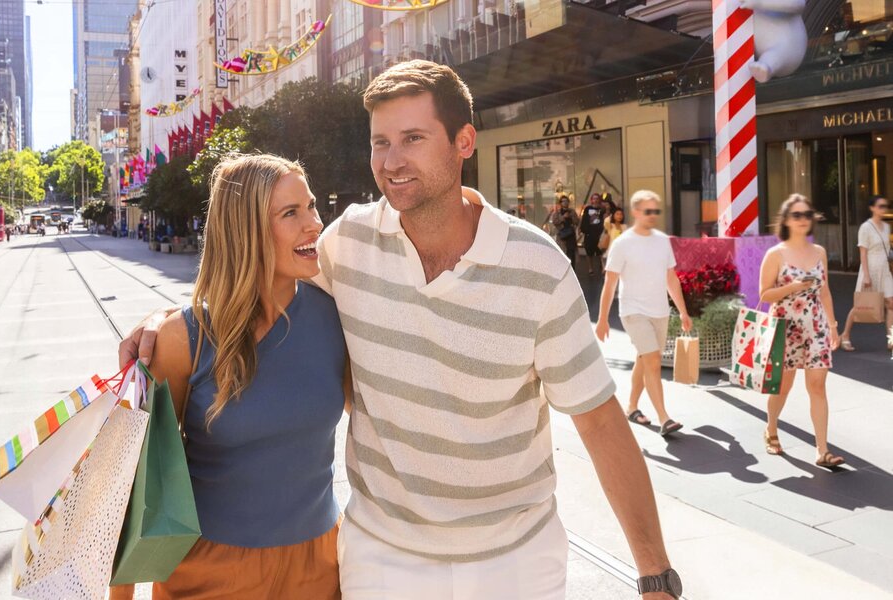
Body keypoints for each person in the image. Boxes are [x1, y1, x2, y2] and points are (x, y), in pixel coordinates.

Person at [120, 61, 681, 600]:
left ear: (464, 142)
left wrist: (655, 573)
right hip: (381, 556)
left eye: (412, 138)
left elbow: (601, 421)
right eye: (379, 142)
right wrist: (165, 324)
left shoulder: (539, 267)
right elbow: (249, 292)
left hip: (514, 557)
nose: (391, 161)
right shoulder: (349, 244)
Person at [109, 154, 344, 600]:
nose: (314, 224)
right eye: (291, 213)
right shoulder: (183, 339)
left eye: (311, 207)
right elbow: (137, 482)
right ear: (245, 230)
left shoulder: (337, 317)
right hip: (208, 573)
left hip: (318, 569)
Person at [759, 194, 844, 469]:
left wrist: (832, 326)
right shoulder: (776, 254)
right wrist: (793, 286)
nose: (803, 219)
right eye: (797, 215)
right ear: (786, 220)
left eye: (807, 214)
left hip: (816, 327)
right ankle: (771, 428)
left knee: (817, 385)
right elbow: (764, 294)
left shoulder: (818, 251)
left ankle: (822, 450)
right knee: (783, 387)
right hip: (786, 327)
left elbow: (826, 291)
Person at [596, 190, 690, 436]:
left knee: (645, 358)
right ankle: (664, 418)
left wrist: (683, 311)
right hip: (633, 311)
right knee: (653, 361)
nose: (652, 216)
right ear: (636, 212)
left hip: (659, 312)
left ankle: (632, 407)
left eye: (655, 211)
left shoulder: (661, 240)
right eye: (648, 211)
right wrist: (603, 319)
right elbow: (610, 283)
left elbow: (671, 278)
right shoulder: (622, 244)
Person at [839, 195, 892, 351]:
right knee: (860, 305)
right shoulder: (865, 227)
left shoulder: (886, 226)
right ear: (872, 208)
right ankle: (845, 335)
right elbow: (863, 252)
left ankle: (891, 339)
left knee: (891, 303)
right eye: (880, 206)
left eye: (886, 206)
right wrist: (867, 276)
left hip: (884, 269)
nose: (884, 209)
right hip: (870, 267)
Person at [550, 195, 580, 267]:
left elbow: (577, 221)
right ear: (560, 203)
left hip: (571, 235)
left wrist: (571, 217)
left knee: (571, 253)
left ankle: (572, 268)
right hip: (562, 235)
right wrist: (563, 217)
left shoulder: (572, 211)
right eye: (563, 201)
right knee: (562, 253)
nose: (565, 203)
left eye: (567, 201)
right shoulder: (557, 212)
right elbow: (555, 221)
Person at [579, 193, 606, 275]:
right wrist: (582, 229)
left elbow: (606, 214)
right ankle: (590, 268)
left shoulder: (602, 209)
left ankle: (603, 267)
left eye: (597, 198)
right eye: (594, 198)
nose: (595, 200)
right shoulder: (588, 209)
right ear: (591, 200)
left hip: (599, 232)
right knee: (589, 252)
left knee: (600, 251)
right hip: (589, 233)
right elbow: (584, 219)